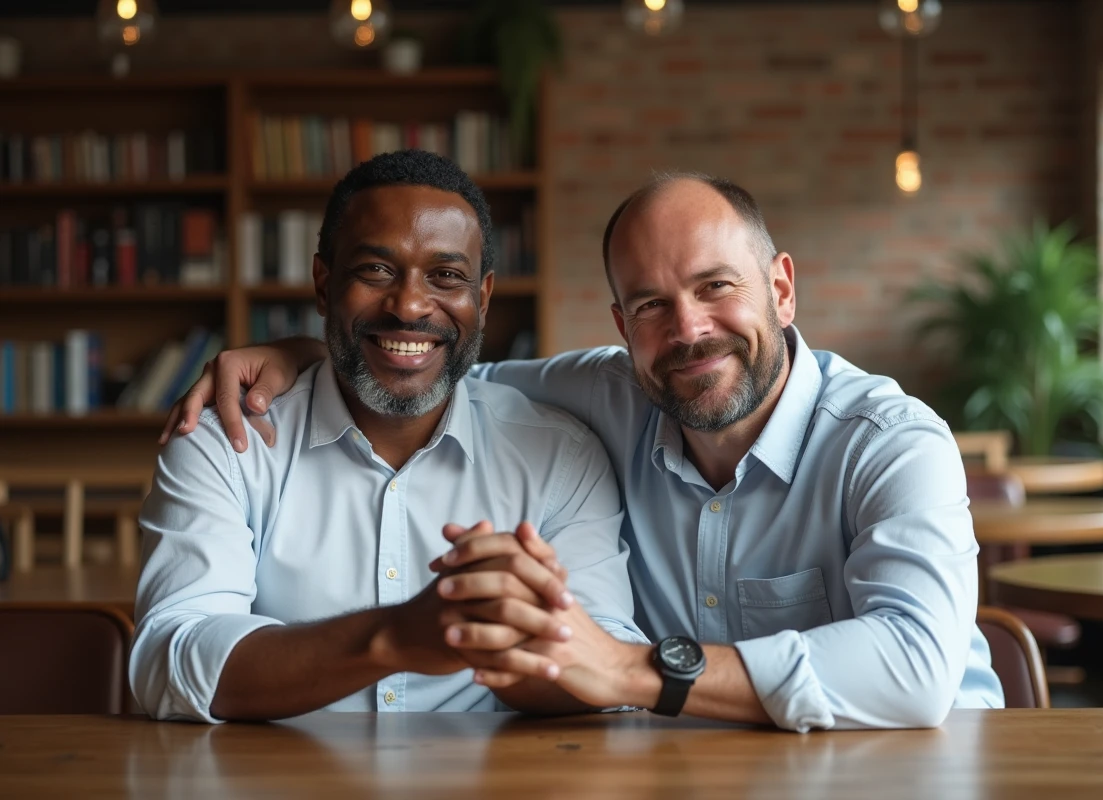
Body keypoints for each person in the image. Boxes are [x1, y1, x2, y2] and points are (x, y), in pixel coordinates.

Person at [165, 170, 1004, 731]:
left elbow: (916, 667)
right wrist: (307, 354)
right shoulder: (603, 395)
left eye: (717, 286)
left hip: (918, 765)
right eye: (649, 304)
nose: (688, 330)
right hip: (711, 773)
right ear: (619, 327)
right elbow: (429, 357)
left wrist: (637, 673)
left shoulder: (894, 444)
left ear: (781, 288)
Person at [132, 150, 646, 723]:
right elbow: (169, 661)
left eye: (447, 276)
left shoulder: (562, 458)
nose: (409, 306)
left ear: (483, 297)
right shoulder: (222, 441)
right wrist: (393, 637)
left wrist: (507, 634)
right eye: (375, 271)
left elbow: (611, 674)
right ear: (324, 284)